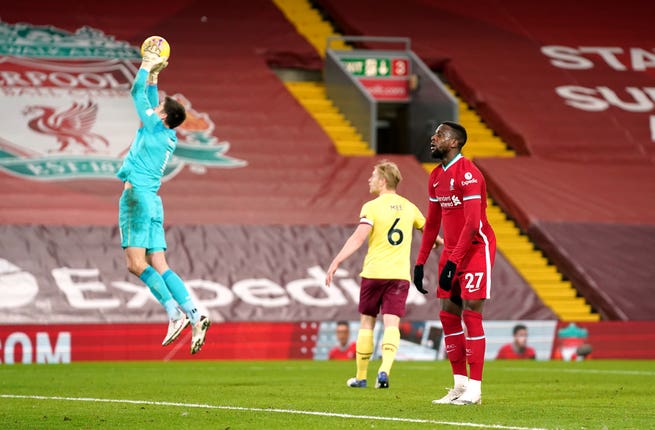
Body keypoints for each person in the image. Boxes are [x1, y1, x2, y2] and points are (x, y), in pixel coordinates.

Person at [116, 44, 210, 354]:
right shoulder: (166, 133)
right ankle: (195, 314)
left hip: (136, 200)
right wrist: (155, 76)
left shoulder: (156, 125)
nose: (153, 109)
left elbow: (135, 94)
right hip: (154, 201)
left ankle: (172, 313)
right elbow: (150, 100)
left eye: (158, 109)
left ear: (164, 118)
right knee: (160, 262)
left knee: (135, 264)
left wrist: (145, 65)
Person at [413, 121, 496, 405]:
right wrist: (421, 262)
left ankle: (475, 388)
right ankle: (459, 385)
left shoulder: (469, 173)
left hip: (475, 248)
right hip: (451, 250)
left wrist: (454, 262)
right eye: (434, 134)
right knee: (448, 314)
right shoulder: (435, 176)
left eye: (440, 135)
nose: (433, 138)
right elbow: (433, 221)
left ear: (455, 143)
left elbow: (473, 224)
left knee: (471, 310)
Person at [325, 160, 426, 389]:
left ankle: (361, 377)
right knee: (392, 323)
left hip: (375, 272)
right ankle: (384, 370)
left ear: (382, 181)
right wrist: (439, 242)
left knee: (367, 322)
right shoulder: (409, 207)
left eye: (372, 176)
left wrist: (337, 259)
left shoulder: (371, 207)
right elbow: (427, 230)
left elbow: (359, 238)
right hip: (400, 275)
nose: (369, 180)